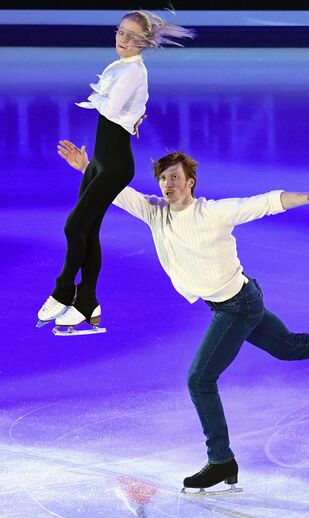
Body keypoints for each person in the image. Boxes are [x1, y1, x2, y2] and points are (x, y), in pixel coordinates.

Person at [57, 140, 309, 492]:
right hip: (232, 302)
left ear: (190, 182)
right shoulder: (155, 212)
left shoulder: (212, 213)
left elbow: (265, 202)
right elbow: (117, 192)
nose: (167, 185)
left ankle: (221, 460)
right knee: (289, 347)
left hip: (238, 305)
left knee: (199, 380)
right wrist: (86, 168)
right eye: (163, 179)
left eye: (175, 177)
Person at [37, 11, 193, 331]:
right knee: (88, 231)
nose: (122, 39)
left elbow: (110, 108)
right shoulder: (122, 67)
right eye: (121, 32)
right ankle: (88, 303)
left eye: (131, 36)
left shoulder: (134, 71)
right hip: (99, 161)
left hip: (116, 166)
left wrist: (129, 113)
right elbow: (117, 109)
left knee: (74, 225)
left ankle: (64, 290)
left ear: (144, 42)